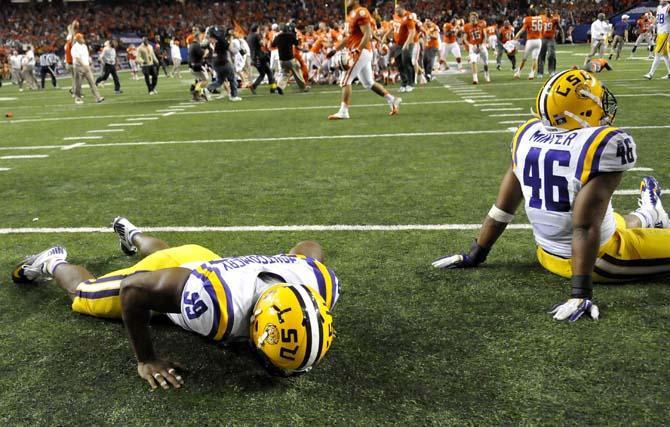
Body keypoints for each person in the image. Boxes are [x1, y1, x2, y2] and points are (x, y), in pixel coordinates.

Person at [433, 69, 670, 322]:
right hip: (599, 260)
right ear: (582, 109)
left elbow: (502, 209)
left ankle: (650, 214)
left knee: (614, 222)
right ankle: (650, 216)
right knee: (602, 227)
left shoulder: (526, 136)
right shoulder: (601, 144)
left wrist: (475, 255)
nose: (602, 106)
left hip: (546, 255)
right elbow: (585, 227)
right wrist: (581, 293)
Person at [12, 217, 339, 388]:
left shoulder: (319, 282)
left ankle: (133, 234)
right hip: (181, 278)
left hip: (203, 262)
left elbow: (309, 247)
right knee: (86, 294)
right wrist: (146, 359)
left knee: (166, 254)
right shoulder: (215, 307)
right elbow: (134, 289)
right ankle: (51, 261)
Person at [327, 0, 401, 120]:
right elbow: (349, 38)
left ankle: (344, 111)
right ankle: (393, 100)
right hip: (361, 50)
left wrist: (357, 50)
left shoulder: (361, 12)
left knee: (345, 80)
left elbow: (367, 34)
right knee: (368, 83)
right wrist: (335, 49)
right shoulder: (352, 15)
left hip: (361, 51)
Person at [206, 27, 241, 101]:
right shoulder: (222, 40)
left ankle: (207, 89)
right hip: (223, 61)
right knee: (232, 79)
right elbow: (231, 49)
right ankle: (234, 96)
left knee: (220, 81)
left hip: (215, 62)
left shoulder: (217, 40)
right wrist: (231, 40)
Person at [272, 23, 308, 94]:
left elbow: (273, 45)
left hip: (282, 59)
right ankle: (303, 87)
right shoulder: (290, 36)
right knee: (297, 71)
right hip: (290, 58)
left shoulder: (278, 37)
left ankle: (279, 87)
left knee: (284, 73)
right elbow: (297, 44)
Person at [71, 33, 105, 104]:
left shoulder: (84, 46)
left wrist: (89, 63)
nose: (83, 39)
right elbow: (77, 58)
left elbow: (86, 55)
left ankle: (98, 97)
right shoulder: (74, 47)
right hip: (78, 67)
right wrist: (84, 65)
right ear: (77, 39)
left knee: (92, 82)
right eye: (81, 38)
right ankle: (78, 98)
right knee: (78, 84)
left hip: (86, 66)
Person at [391, 4, 417, 92]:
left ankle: (410, 83)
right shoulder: (396, 16)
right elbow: (394, 28)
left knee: (406, 62)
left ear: (402, 9)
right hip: (398, 43)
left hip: (408, 43)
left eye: (398, 9)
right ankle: (404, 83)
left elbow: (412, 32)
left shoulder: (408, 17)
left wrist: (406, 44)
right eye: (395, 10)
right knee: (399, 63)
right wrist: (385, 36)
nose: (396, 11)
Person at [247, 24, 277, 94]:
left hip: (253, 58)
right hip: (260, 57)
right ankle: (273, 88)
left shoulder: (248, 36)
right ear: (257, 28)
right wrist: (263, 37)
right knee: (269, 72)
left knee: (262, 73)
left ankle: (254, 86)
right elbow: (262, 44)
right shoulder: (256, 35)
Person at [644, 0, 670, 80]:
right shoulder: (659, 7)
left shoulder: (669, 7)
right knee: (665, 54)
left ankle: (651, 73)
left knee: (657, 53)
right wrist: (651, 26)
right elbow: (657, 19)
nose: (660, 0)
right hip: (659, 32)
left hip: (665, 32)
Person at [514, 11, 543, 80]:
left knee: (524, 59)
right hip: (538, 41)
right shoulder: (540, 18)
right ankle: (532, 74)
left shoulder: (527, 19)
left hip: (530, 41)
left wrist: (517, 35)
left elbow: (523, 29)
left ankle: (518, 73)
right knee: (535, 59)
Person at [462, 11, 489, 84]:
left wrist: (483, 44)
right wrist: (469, 45)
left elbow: (485, 35)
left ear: (477, 18)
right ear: (469, 18)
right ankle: (475, 78)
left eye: (474, 17)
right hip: (473, 46)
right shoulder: (466, 26)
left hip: (481, 45)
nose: (472, 19)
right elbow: (465, 38)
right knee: (473, 61)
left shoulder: (482, 24)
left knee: (485, 62)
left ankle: (486, 73)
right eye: (471, 17)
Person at [537, 7, 562, 78]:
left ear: (551, 12)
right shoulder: (541, 17)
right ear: (544, 11)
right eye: (546, 10)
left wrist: (562, 35)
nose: (548, 12)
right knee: (541, 56)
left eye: (549, 11)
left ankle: (552, 71)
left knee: (551, 55)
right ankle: (540, 72)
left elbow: (559, 27)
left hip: (551, 39)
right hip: (542, 39)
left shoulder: (555, 19)